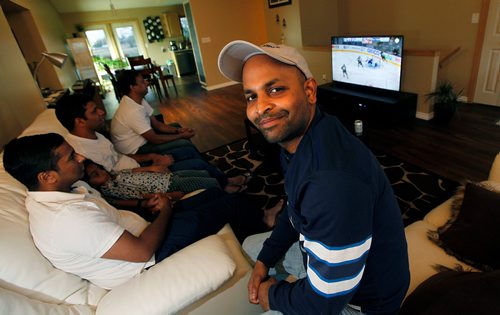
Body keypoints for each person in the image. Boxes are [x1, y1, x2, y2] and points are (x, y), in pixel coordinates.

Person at [218, 41, 409, 314]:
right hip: (329, 269)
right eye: (251, 96)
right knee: (252, 248)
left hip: (361, 302)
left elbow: (325, 302)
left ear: (309, 90)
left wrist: (272, 295)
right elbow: (295, 210)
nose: (260, 107)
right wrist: (266, 258)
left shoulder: (331, 183)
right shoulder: (300, 138)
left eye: (275, 89)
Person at [2, 133, 283, 290]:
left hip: (142, 228)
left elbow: (107, 212)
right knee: (226, 204)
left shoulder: (64, 191)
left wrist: (145, 206)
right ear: (46, 176)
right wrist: (165, 209)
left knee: (211, 193)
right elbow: (140, 253)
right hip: (146, 259)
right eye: (70, 157)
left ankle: (251, 229)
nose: (82, 158)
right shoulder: (65, 220)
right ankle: (263, 231)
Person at [55, 94, 250, 194]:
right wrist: (154, 167)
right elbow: (111, 179)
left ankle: (225, 181)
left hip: (139, 165)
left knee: (189, 154)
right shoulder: (79, 152)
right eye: (94, 111)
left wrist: (151, 156)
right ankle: (223, 185)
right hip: (137, 178)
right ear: (79, 121)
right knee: (196, 164)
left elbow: (120, 158)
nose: (101, 112)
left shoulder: (96, 135)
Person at [111, 69, 195, 156]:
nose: (147, 82)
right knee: (184, 143)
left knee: (176, 126)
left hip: (142, 140)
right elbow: (155, 139)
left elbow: (157, 124)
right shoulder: (131, 110)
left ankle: (198, 158)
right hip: (136, 151)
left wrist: (179, 131)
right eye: (142, 82)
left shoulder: (139, 99)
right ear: (132, 87)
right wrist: (181, 136)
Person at [83, 159, 221, 200]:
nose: (102, 172)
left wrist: (153, 167)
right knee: (210, 183)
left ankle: (226, 184)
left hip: (168, 177)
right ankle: (227, 190)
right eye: (96, 175)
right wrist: (169, 196)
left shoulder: (114, 174)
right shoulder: (112, 189)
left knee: (203, 172)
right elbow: (140, 196)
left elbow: (134, 170)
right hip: (169, 187)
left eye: (99, 168)